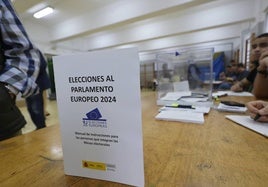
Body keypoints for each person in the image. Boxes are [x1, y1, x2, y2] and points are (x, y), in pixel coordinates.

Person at [0, 0, 41, 141]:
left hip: (3, 121)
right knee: (33, 107)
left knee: (37, 107)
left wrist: (8, 90)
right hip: (25, 87)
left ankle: (41, 127)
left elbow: (23, 52)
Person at [25, 51, 51, 130]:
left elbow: (42, 65)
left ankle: (41, 127)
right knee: (34, 105)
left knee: (35, 106)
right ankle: (41, 124)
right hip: (32, 82)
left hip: (36, 82)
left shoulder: (31, 51)